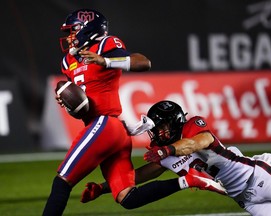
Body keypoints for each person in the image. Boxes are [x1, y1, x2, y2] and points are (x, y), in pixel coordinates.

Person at [42, 10, 226, 216]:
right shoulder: (68, 62)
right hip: (109, 132)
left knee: (62, 181)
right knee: (128, 197)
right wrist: (68, 102)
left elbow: (143, 62)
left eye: (73, 30)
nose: (70, 36)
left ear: (87, 29)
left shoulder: (104, 45)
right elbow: (81, 104)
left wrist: (106, 61)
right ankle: (190, 180)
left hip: (106, 126)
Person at [81, 100, 271, 216]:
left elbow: (198, 143)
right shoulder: (163, 150)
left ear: (174, 123)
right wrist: (104, 188)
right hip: (245, 200)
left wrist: (166, 151)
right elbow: (140, 175)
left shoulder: (193, 126)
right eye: (156, 129)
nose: (157, 134)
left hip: (259, 178)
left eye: (161, 127)